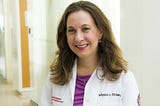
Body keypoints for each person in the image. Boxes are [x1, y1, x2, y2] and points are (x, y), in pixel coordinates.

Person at [39, 1, 140, 106]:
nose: (78, 38)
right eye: (71, 30)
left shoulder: (124, 78)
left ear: (100, 32)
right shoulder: (55, 77)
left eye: (85, 29)